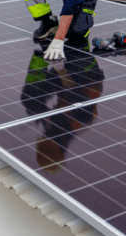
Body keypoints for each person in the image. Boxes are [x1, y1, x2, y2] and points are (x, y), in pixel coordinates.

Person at [20, 39, 104, 174]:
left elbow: (38, 107)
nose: (44, 133)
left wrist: (35, 111)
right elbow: (73, 92)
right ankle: (52, 53)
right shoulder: (83, 118)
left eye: (45, 136)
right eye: (47, 137)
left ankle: (43, 53)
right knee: (72, 99)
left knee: (30, 100)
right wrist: (60, 68)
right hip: (85, 71)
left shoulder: (52, 130)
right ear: (61, 144)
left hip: (65, 74)